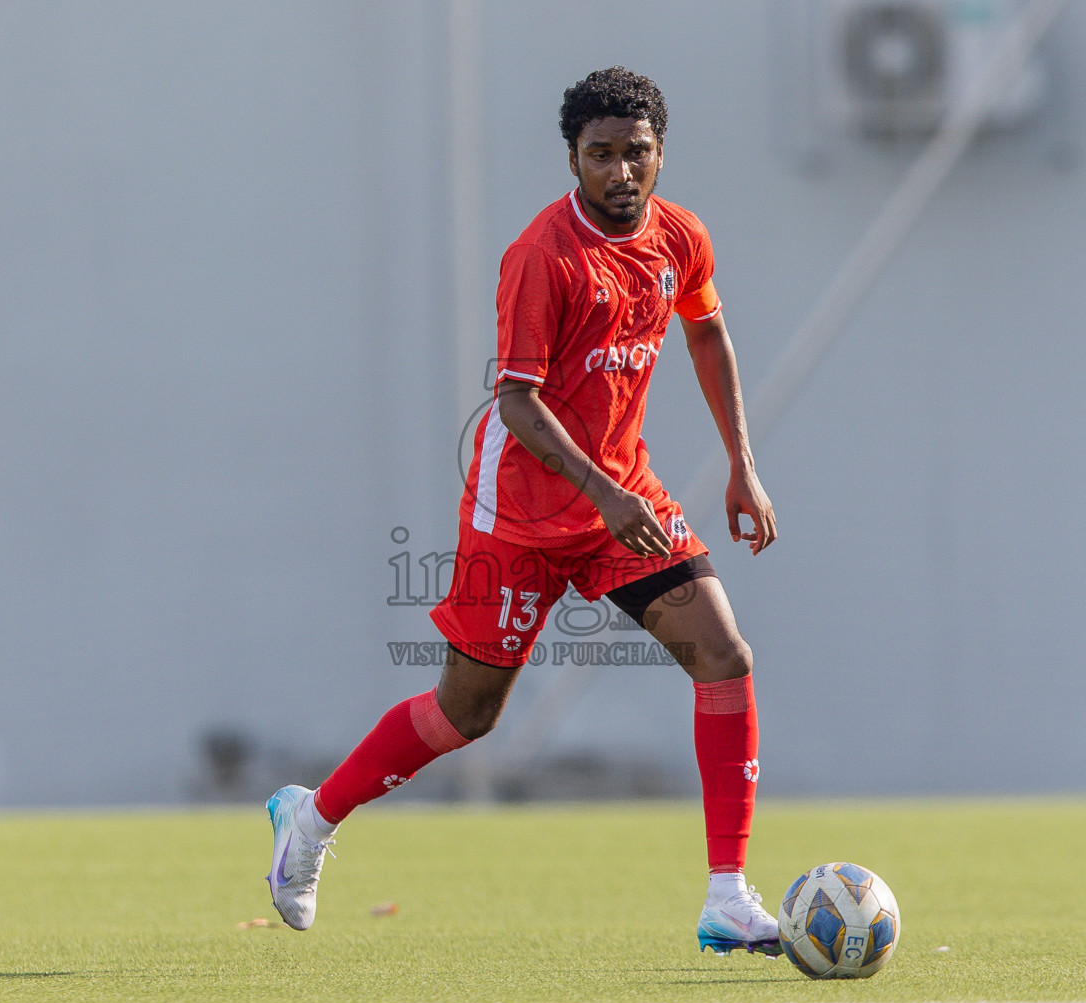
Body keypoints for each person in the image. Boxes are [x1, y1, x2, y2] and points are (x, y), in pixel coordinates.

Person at [267, 66, 780, 956]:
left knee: (722, 652)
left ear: (661, 154)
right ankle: (311, 818)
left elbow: (706, 331)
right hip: (524, 516)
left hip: (624, 494)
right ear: (573, 158)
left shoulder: (680, 238)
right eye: (601, 155)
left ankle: (728, 895)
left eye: (637, 153)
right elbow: (517, 403)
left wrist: (741, 463)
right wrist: (605, 496)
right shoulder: (543, 256)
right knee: (466, 715)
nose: (621, 172)